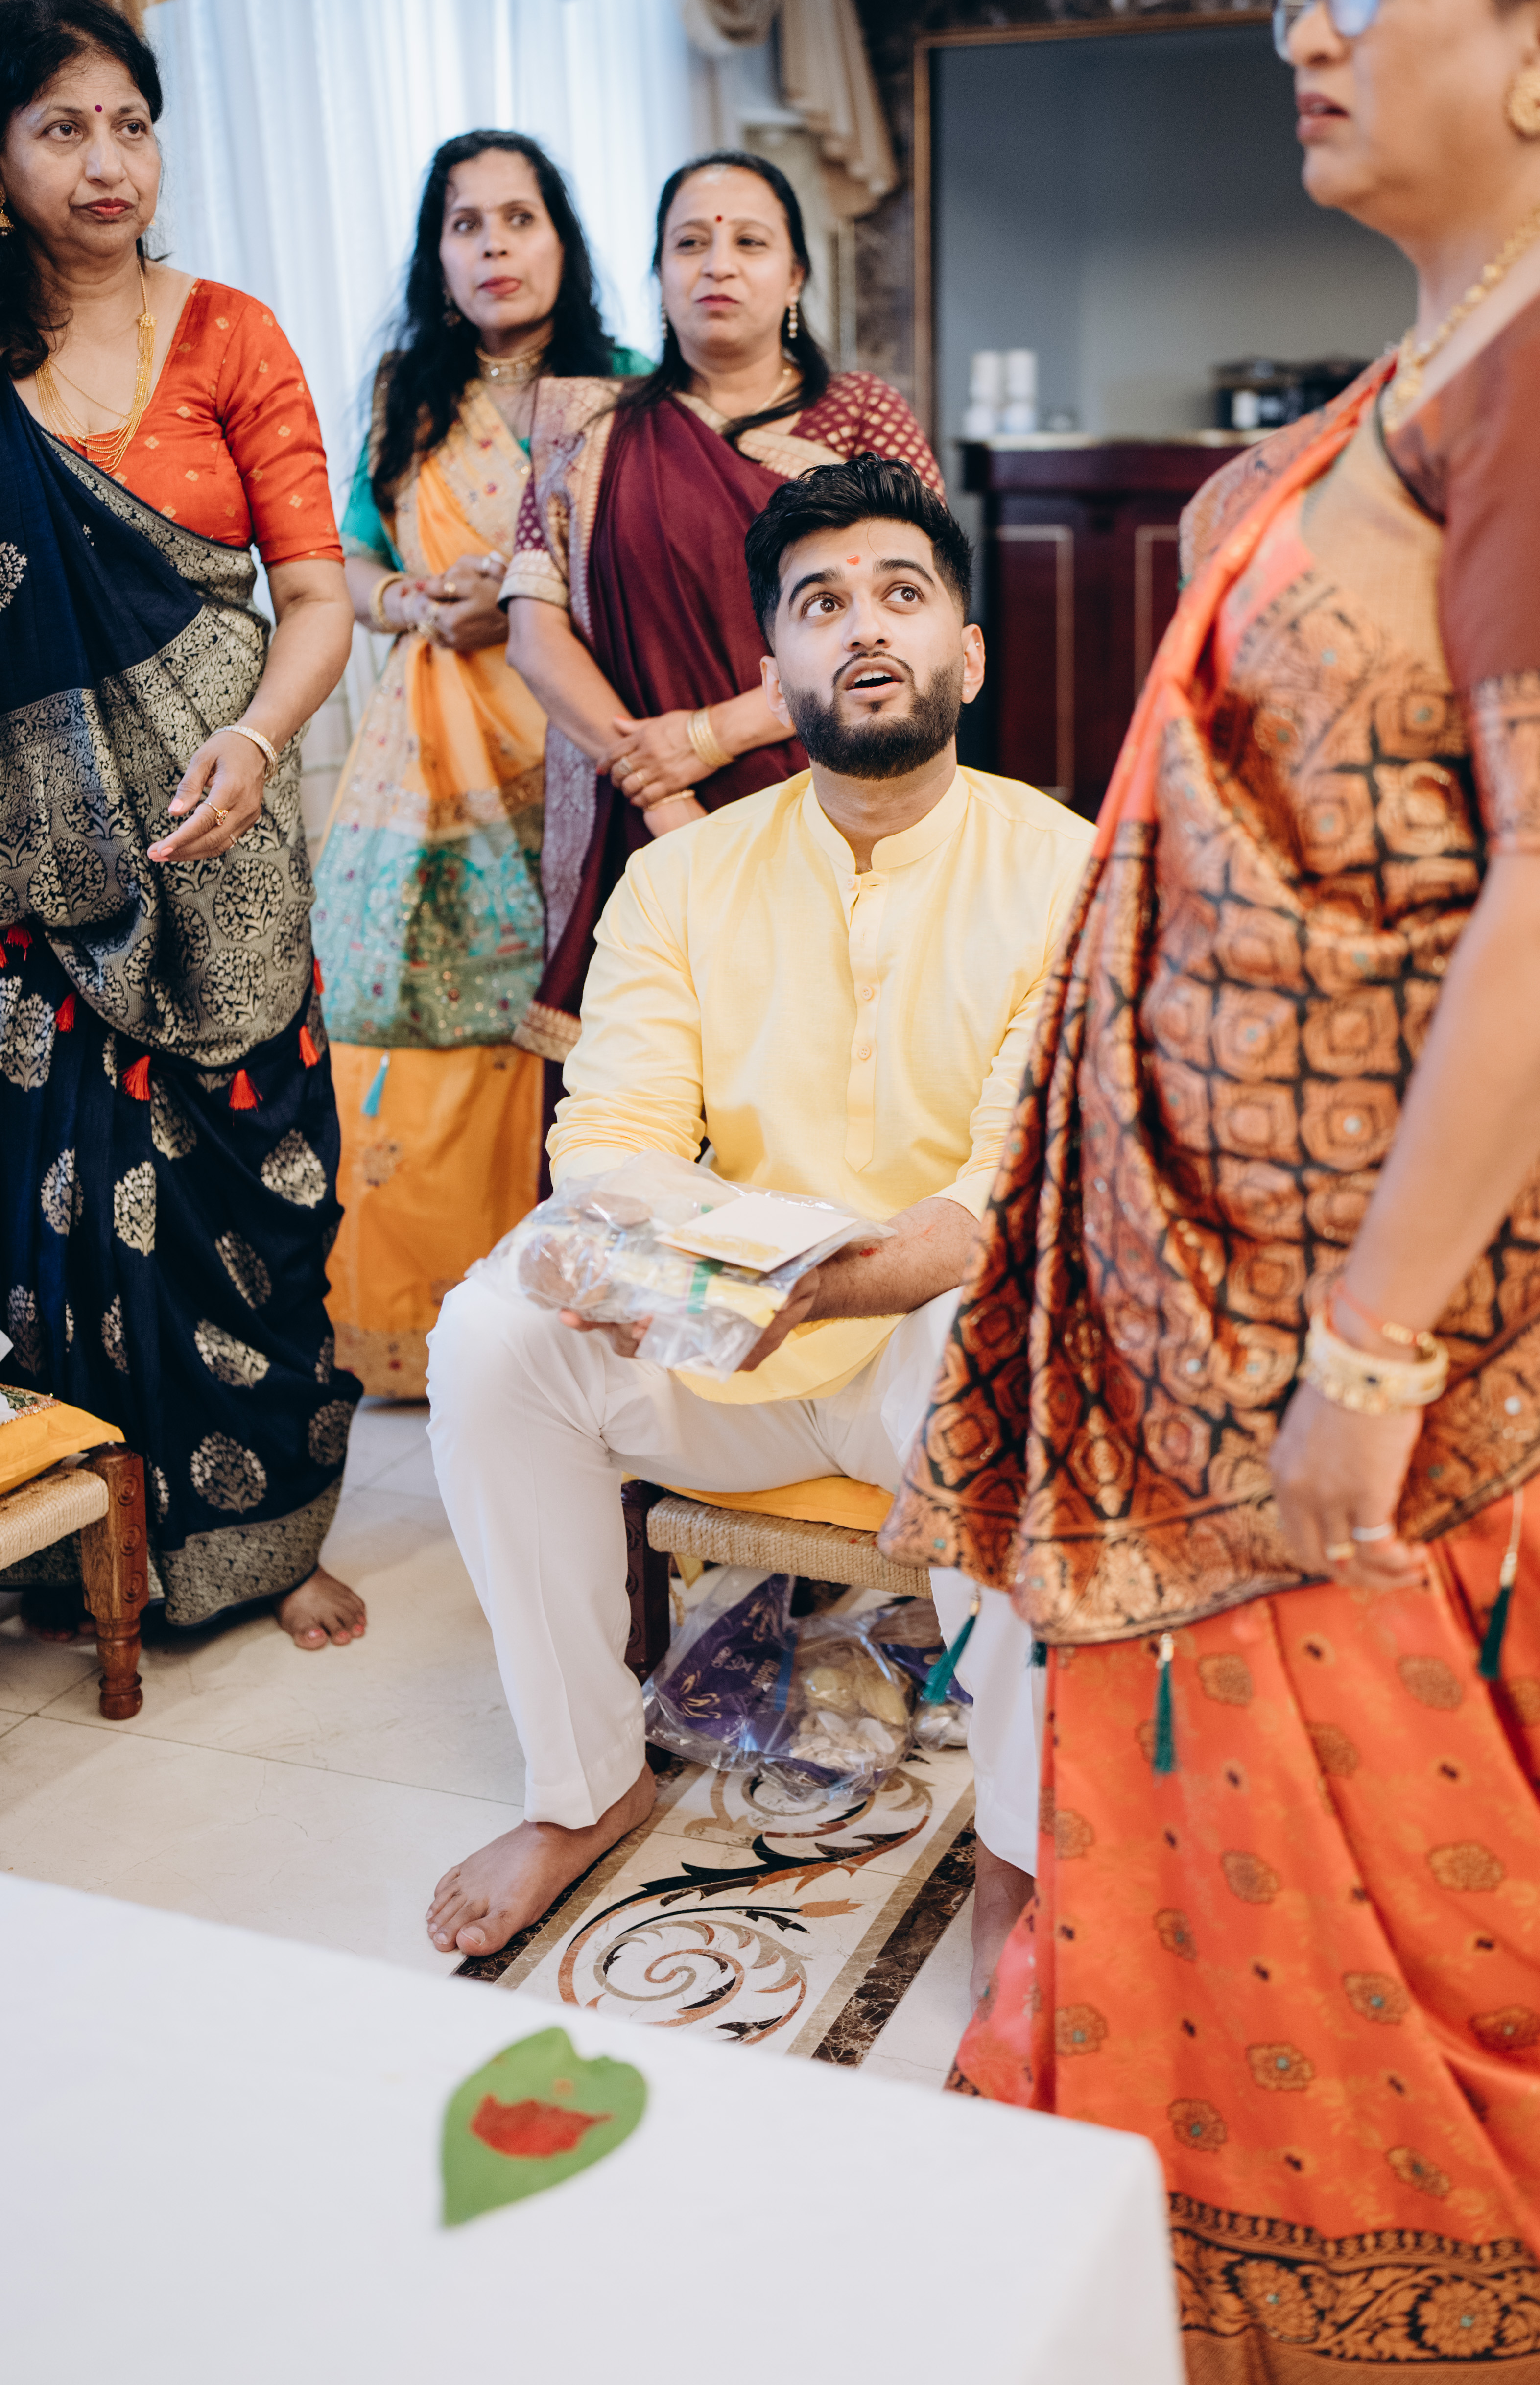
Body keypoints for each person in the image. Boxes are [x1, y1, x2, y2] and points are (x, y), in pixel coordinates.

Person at [883, 0, 1540, 2385]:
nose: (1301, 24)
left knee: (1452, 1937)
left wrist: (1365, 1355)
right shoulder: (1472, 338)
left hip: (1453, 1334)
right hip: (1287, 1273)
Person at [425, 455, 1091, 1966]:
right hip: (720, 1345)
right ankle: (582, 1785)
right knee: (488, 1336)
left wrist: (831, 1283)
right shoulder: (683, 879)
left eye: (899, 593)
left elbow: (1010, 1181)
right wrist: (705, 1285)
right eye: (819, 603)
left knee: (1026, 1351)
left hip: (929, 1361)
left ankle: (1018, 1844)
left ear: (966, 652)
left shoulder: (1067, 867)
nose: (863, 626)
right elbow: (614, 1141)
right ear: (775, 667)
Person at [0, 0, 366, 1647]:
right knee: (51, 1209)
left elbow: (316, 596)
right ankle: (68, 1544)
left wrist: (257, 739)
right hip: (35, 871)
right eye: (63, 127)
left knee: (254, 1205)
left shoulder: (229, 334)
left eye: (131, 125)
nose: (108, 162)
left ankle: (265, 1539)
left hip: (227, 835)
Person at [499, 149, 943, 1107]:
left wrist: (706, 738)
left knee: (824, 1100)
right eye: (690, 243)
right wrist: (661, 789)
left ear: (795, 274)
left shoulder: (860, 417)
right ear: (658, 273)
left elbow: (912, 624)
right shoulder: (589, 427)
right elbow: (533, 632)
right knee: (640, 1113)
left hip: (824, 804)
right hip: (636, 825)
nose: (718, 264)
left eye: (750, 242)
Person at [313, 133, 648, 1397]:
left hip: (582, 744)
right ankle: (414, 1332)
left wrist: (519, 597)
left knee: (588, 1020)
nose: (495, 245)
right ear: (437, 256)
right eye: (467, 224)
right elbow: (343, 562)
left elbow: (648, 564)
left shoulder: (624, 391)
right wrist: (410, 599)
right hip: (429, 770)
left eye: (520, 217)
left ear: (562, 239)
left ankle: (562, 1333)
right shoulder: (406, 395)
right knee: (417, 1016)